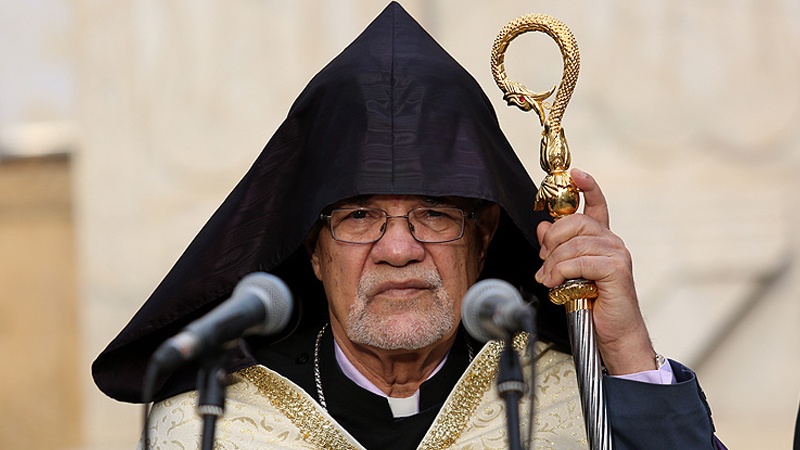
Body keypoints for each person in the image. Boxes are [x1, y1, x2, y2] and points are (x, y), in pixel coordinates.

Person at [92, 3, 722, 449]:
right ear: (314, 250)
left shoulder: (578, 399)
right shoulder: (211, 426)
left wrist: (626, 349)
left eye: (435, 215)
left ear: (483, 239)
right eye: (359, 216)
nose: (398, 249)